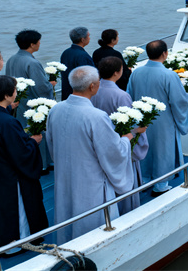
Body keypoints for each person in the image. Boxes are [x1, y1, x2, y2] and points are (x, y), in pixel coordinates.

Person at [46, 66, 136, 243]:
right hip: (90, 179)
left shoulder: (56, 109)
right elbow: (113, 152)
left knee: (67, 209)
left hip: (65, 173)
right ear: (93, 86)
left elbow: (51, 143)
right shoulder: (96, 116)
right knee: (92, 221)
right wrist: (126, 138)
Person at [0, 76, 48, 252]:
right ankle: (14, 245)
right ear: (8, 95)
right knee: (15, 209)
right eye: (14, 90)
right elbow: (21, 153)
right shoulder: (8, 122)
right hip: (8, 176)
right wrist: (33, 142)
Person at [127, 40, 188, 197]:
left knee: (143, 147)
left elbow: (129, 95)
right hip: (163, 120)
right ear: (165, 54)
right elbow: (179, 101)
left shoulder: (136, 72)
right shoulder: (169, 75)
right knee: (162, 150)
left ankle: (143, 180)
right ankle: (161, 185)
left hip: (141, 119)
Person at [91, 57, 149, 212]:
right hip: (119, 143)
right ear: (117, 72)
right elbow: (129, 124)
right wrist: (139, 131)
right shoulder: (121, 95)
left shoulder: (92, 91)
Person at [5, 30, 55, 169]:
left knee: (24, 133)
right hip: (33, 104)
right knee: (39, 132)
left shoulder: (11, 59)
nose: (40, 44)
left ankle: (29, 162)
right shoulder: (31, 62)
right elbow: (41, 87)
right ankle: (43, 165)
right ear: (32, 44)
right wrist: (50, 86)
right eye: (39, 41)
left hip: (18, 104)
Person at [60, 27, 94, 100]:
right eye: (88, 36)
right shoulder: (83, 56)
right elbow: (88, 77)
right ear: (82, 39)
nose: (89, 38)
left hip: (67, 91)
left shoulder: (65, 53)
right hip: (80, 95)